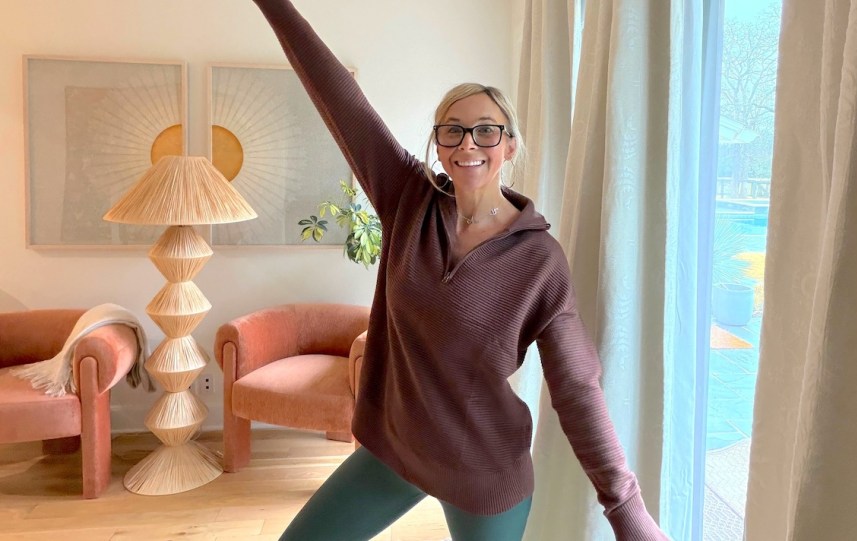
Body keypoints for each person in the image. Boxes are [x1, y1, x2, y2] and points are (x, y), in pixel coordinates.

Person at [252, 1, 669, 540]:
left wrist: (625, 508)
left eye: (486, 131)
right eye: (452, 131)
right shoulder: (408, 200)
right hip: (398, 446)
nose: (468, 143)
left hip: (483, 467)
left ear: (510, 145)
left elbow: (577, 386)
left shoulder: (540, 261)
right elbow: (339, 97)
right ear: (439, 144)